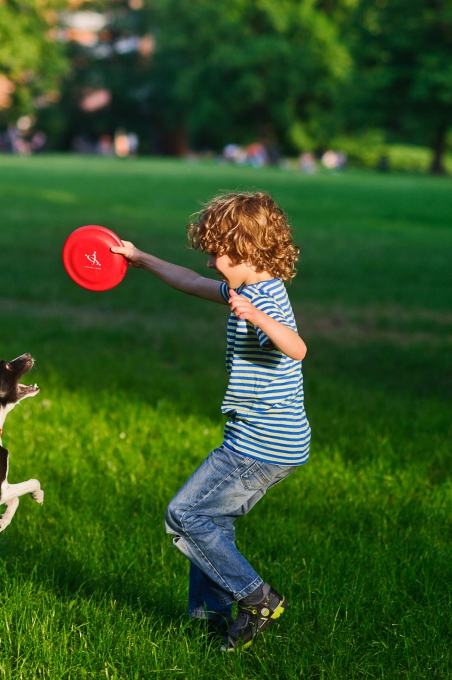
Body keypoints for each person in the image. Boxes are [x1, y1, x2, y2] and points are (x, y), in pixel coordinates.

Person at [111, 192, 310, 652]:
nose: (213, 262)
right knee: (212, 521)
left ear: (252, 253)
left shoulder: (265, 301)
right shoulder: (244, 288)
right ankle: (210, 619)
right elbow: (188, 281)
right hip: (261, 439)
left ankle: (256, 597)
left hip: (262, 446)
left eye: (222, 253)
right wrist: (140, 258)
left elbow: (298, 348)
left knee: (185, 514)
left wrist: (257, 316)